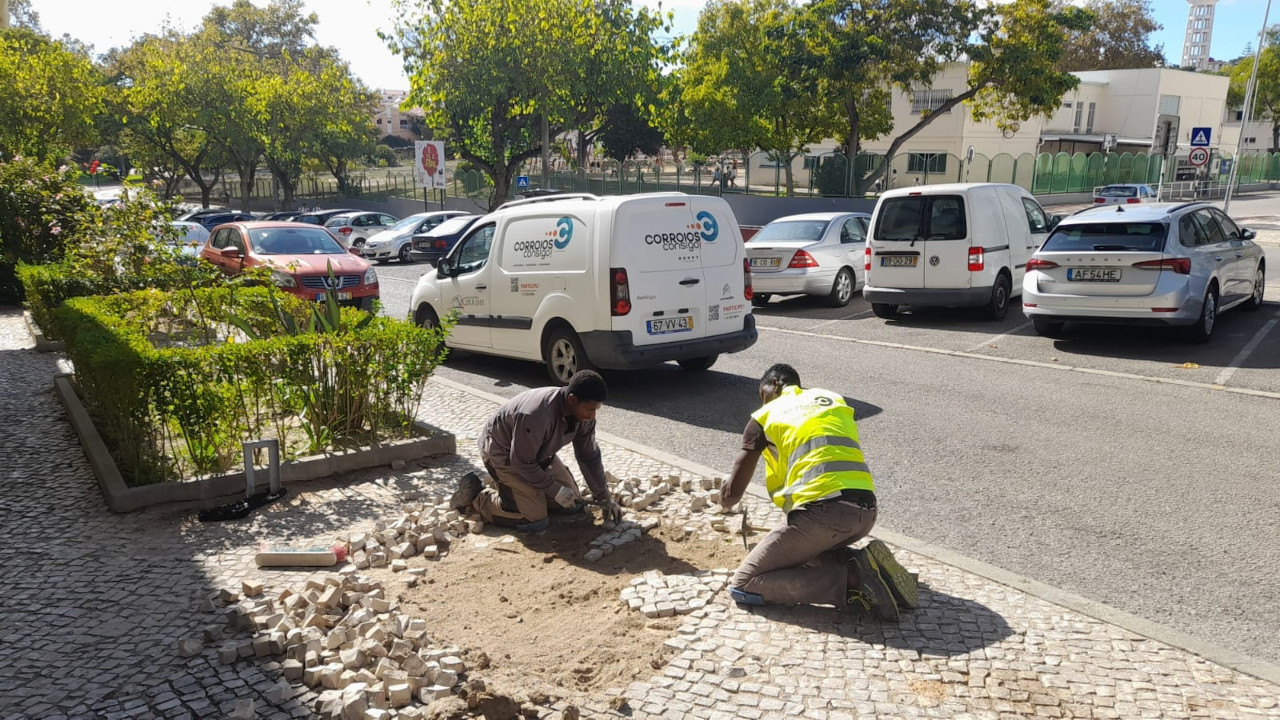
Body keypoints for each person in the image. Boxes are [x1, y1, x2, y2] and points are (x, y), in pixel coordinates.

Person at [719, 363, 918, 619]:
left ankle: (854, 581)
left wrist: (723, 493)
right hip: (866, 512)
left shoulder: (765, 416)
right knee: (809, 553)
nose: (763, 400)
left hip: (824, 515)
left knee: (745, 583)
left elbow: (731, 497)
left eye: (763, 393)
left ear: (775, 384)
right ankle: (870, 567)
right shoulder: (831, 400)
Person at [452, 370, 623, 532]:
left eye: (596, 409)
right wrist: (555, 490)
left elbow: (589, 456)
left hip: (539, 454)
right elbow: (521, 462)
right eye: (590, 409)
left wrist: (603, 496)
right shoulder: (536, 416)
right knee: (535, 519)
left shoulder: (584, 417)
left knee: (572, 505)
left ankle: (513, 489)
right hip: (504, 455)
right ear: (571, 400)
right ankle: (478, 497)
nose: (592, 415)